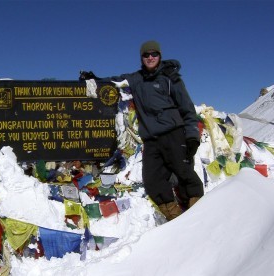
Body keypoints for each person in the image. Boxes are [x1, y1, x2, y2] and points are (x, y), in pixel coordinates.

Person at [80, 40, 204, 221]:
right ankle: (175, 218)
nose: (150, 57)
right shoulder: (136, 79)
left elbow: (187, 108)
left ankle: (199, 211)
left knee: (184, 171)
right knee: (152, 178)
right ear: (142, 58)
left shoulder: (171, 79)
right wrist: (96, 79)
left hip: (174, 134)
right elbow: (117, 81)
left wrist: (192, 136)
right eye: (146, 55)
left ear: (160, 56)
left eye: (154, 54)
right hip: (151, 140)